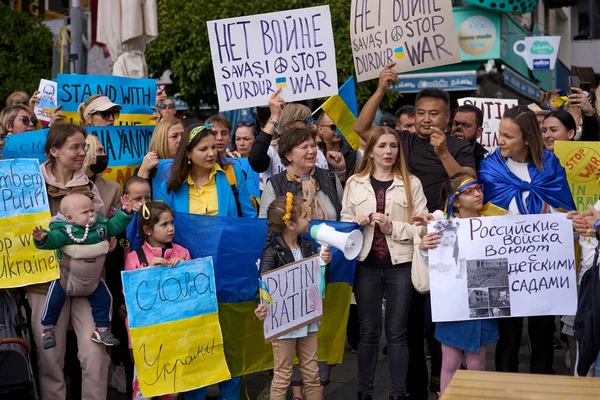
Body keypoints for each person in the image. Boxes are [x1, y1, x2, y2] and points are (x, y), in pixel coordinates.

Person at [355, 63, 476, 397]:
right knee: (408, 323)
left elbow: (466, 183)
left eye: (434, 113)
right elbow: (361, 127)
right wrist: (380, 88)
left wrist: (442, 152)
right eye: (421, 112)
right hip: (410, 241)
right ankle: (413, 388)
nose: (426, 119)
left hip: (448, 242)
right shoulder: (403, 141)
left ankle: (443, 381)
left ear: (448, 116)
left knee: (441, 321)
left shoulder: (459, 145)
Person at [478, 105, 576, 374]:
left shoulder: (551, 165)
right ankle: (505, 389)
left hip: (543, 268)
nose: (500, 141)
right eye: (500, 134)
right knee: (508, 338)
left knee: (542, 334)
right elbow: (481, 213)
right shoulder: (490, 168)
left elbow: (563, 208)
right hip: (502, 267)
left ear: (527, 138)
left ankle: (541, 387)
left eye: (508, 136)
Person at [341, 126, 428, 400]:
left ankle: (397, 394)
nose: (388, 151)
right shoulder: (354, 183)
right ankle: (364, 392)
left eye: (393, 146)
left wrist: (394, 228)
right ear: (371, 151)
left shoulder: (411, 183)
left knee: (397, 333)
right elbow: (343, 222)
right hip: (366, 264)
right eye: (382, 146)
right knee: (368, 331)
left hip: (401, 264)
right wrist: (355, 223)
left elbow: (423, 229)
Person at [27, 123, 109, 400]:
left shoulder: (87, 184)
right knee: (50, 356)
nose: (81, 152)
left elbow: (102, 225)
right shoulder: (29, 181)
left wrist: (106, 233)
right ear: (54, 151)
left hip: (87, 280)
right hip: (46, 282)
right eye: (75, 147)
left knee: (96, 353)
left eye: (83, 146)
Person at [419, 173, 499, 395]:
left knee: (476, 364)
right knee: (450, 362)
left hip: (481, 304)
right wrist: (425, 248)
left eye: (478, 189)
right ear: (454, 200)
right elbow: (434, 264)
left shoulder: (494, 225)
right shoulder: (443, 226)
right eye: (469, 191)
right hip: (452, 304)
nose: (477, 194)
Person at [255, 194, 331, 400]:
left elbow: (317, 282)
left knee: (312, 372)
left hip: (306, 317)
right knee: (282, 375)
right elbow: (263, 285)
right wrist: (260, 305)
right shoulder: (272, 251)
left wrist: (324, 265)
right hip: (283, 322)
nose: (310, 219)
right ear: (290, 224)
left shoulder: (308, 246)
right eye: (305, 216)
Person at [32, 193, 133, 349]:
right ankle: (47, 329)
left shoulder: (100, 227)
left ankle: (102, 330)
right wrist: (43, 238)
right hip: (67, 280)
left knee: (105, 300)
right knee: (53, 302)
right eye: (85, 212)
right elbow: (54, 239)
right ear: (70, 218)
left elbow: (113, 226)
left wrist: (124, 213)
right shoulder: (66, 231)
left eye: (92, 210)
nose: (91, 214)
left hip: (93, 280)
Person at [124, 201, 190, 400]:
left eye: (172, 223)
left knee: (171, 388)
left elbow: (192, 293)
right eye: (164, 224)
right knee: (144, 388)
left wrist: (184, 269)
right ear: (147, 230)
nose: (171, 228)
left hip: (174, 334)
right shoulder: (134, 258)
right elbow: (131, 296)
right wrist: (148, 272)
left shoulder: (183, 253)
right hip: (145, 337)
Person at [157, 123, 256, 219]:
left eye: (213, 147)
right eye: (203, 149)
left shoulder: (234, 173)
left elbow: (249, 218)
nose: (211, 153)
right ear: (188, 153)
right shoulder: (170, 188)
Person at [248, 89, 330, 186]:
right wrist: (274, 117)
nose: (312, 125)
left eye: (311, 120)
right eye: (307, 121)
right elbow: (255, 159)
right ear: (289, 126)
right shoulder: (272, 152)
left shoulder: (317, 153)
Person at [259, 127, 343, 221]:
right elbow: (265, 222)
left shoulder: (330, 177)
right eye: (304, 147)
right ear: (289, 155)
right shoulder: (275, 184)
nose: (311, 151)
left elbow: (343, 214)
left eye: (313, 145)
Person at [136, 118, 185, 183]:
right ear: (161, 140)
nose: (180, 140)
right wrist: (144, 171)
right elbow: (138, 192)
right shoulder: (147, 168)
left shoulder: (191, 164)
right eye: (174, 136)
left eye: (183, 135)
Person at [316, 111, 356, 181]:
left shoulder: (353, 154)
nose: (338, 130)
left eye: (340, 126)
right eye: (333, 127)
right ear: (320, 129)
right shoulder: (312, 154)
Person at [451, 105, 488, 170]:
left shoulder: (485, 164)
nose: (459, 128)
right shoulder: (437, 151)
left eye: (466, 125)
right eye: (456, 124)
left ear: (479, 132)